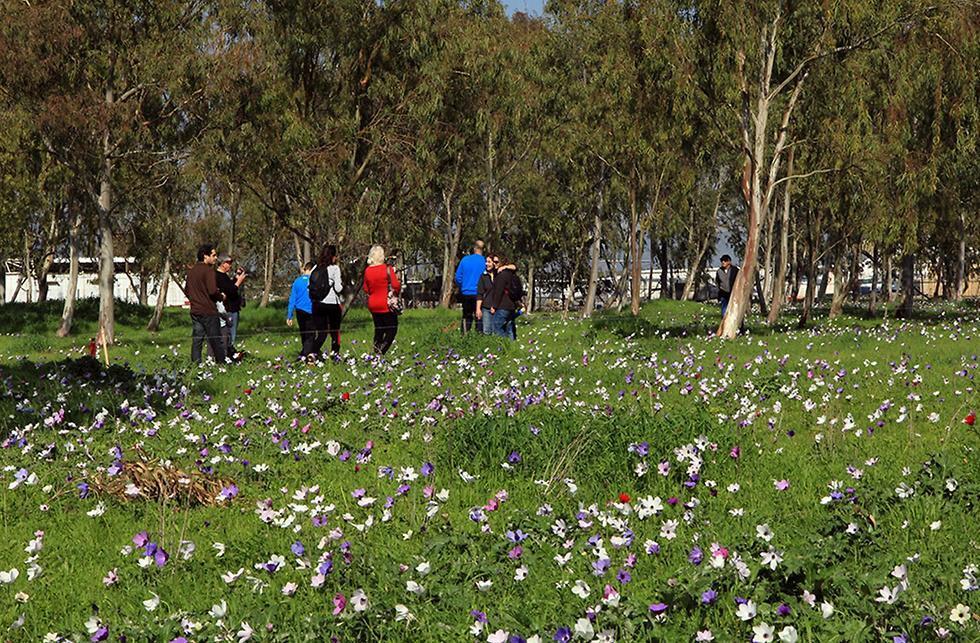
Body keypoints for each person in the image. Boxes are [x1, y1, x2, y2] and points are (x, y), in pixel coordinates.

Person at [185, 244, 226, 364]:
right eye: (213, 255)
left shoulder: (191, 272)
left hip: (195, 311)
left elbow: (187, 291)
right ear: (205, 256)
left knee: (197, 341)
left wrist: (195, 299)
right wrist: (221, 296)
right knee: (215, 340)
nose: (215, 258)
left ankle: (195, 365)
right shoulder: (208, 271)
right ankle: (222, 365)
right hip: (209, 312)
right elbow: (212, 290)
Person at [363, 245, 400, 355]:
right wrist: (394, 294)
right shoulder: (387, 269)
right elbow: (396, 285)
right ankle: (380, 351)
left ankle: (376, 350)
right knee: (392, 328)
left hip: (373, 303)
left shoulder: (368, 271)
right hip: (385, 304)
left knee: (379, 329)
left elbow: (366, 288)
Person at [310, 245, 344, 358]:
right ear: (333, 256)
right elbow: (338, 288)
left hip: (317, 304)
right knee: (335, 333)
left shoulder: (315, 268)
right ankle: (335, 356)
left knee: (321, 333)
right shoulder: (335, 268)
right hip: (332, 305)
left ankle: (311, 354)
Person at [215, 255, 247, 359]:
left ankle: (230, 353)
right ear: (223, 263)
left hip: (233, 308)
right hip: (228, 309)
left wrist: (236, 277)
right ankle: (228, 355)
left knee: (231, 334)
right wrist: (239, 281)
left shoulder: (224, 276)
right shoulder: (218, 276)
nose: (230, 265)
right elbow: (230, 290)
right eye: (228, 262)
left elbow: (230, 286)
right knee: (229, 335)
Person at [488, 253, 522, 340]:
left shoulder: (501, 275)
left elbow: (498, 292)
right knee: (509, 328)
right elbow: (515, 267)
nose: (494, 264)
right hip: (511, 306)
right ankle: (512, 347)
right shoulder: (511, 273)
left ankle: (503, 346)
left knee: (496, 327)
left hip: (503, 306)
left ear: (502, 262)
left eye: (496, 262)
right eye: (493, 262)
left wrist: (494, 306)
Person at [454, 239, 485, 333]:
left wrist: (462, 286)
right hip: (479, 294)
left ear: (474, 248)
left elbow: (458, 277)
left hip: (466, 292)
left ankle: (464, 334)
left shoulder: (465, 260)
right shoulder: (485, 261)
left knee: (466, 316)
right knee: (479, 316)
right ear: (483, 249)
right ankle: (478, 336)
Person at [286, 262, 315, 358]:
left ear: (305, 269)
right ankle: (307, 355)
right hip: (311, 311)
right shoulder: (313, 281)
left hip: (299, 311)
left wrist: (289, 315)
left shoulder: (297, 281)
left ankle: (305, 352)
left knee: (303, 333)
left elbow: (292, 299)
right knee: (311, 335)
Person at [475, 254, 496, 334]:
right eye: (486, 262)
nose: (486, 264)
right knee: (486, 330)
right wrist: (478, 309)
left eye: (489, 262)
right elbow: (479, 293)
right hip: (486, 307)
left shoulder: (499, 275)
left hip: (498, 308)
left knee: (496, 331)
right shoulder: (483, 276)